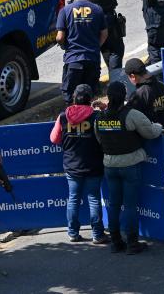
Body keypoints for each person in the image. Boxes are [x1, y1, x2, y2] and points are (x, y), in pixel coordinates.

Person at [94, 82, 163, 254]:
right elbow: (151, 132)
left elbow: (99, 139)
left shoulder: (99, 118)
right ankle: (132, 243)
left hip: (110, 165)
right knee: (130, 205)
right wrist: (160, 127)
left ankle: (116, 242)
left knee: (114, 204)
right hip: (130, 165)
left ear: (108, 96)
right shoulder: (131, 115)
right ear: (124, 95)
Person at [50, 84, 109, 244]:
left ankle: (73, 233)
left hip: (72, 166)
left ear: (74, 98)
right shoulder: (97, 117)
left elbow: (54, 139)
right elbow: (107, 136)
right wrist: (104, 109)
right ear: (90, 100)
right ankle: (98, 235)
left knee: (73, 199)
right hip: (94, 165)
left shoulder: (63, 116)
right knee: (94, 199)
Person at [56, 0, 108, 104]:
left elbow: (59, 37)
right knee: (89, 97)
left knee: (70, 97)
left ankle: (74, 121)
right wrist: (95, 46)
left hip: (74, 60)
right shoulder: (97, 9)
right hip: (92, 59)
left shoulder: (65, 10)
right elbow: (105, 34)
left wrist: (65, 46)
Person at [124, 58, 164, 133]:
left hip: (152, 134)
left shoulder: (138, 95)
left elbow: (129, 118)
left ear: (132, 76)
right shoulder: (162, 86)